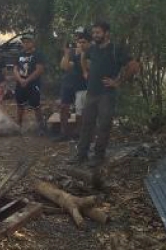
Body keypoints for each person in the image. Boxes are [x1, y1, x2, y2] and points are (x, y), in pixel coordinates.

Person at [71, 21, 139, 166]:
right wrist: (85, 72)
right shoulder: (93, 48)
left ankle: (98, 157)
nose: (95, 35)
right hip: (91, 92)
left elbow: (133, 66)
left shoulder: (116, 49)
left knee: (103, 125)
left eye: (98, 32)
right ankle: (81, 154)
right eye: (94, 33)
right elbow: (83, 57)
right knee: (86, 124)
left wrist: (118, 82)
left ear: (107, 33)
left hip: (107, 94)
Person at [54, 30, 91, 142]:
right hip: (68, 83)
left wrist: (81, 55)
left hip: (81, 85)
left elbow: (87, 66)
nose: (78, 43)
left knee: (80, 110)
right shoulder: (71, 52)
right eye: (77, 40)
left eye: (81, 41)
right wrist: (66, 53)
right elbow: (64, 66)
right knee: (64, 107)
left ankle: (79, 133)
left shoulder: (89, 53)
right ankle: (63, 133)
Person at [14, 34, 46, 135]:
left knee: (36, 105)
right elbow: (15, 69)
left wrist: (27, 80)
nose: (25, 43)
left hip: (33, 83)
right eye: (24, 42)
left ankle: (41, 127)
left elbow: (39, 70)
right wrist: (20, 79)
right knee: (20, 105)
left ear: (33, 42)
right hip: (20, 83)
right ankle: (18, 126)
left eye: (28, 41)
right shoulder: (19, 54)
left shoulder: (38, 54)